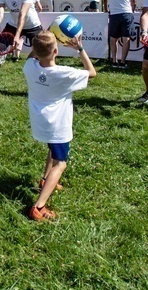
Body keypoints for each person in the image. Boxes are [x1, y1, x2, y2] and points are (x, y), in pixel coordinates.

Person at [23, 31, 95, 221]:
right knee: (61, 163)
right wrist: (80, 49)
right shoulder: (65, 73)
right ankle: (39, 206)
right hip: (57, 125)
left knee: (51, 148)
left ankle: (46, 180)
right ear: (56, 50)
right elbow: (92, 72)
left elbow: (33, 56)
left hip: (40, 122)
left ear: (34, 51)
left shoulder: (29, 66)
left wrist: (41, 42)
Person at [102, 0, 136, 69]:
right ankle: (123, 62)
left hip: (114, 13)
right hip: (126, 12)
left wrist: (106, 8)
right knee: (126, 39)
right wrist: (132, 10)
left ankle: (114, 61)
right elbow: (133, 0)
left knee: (113, 38)